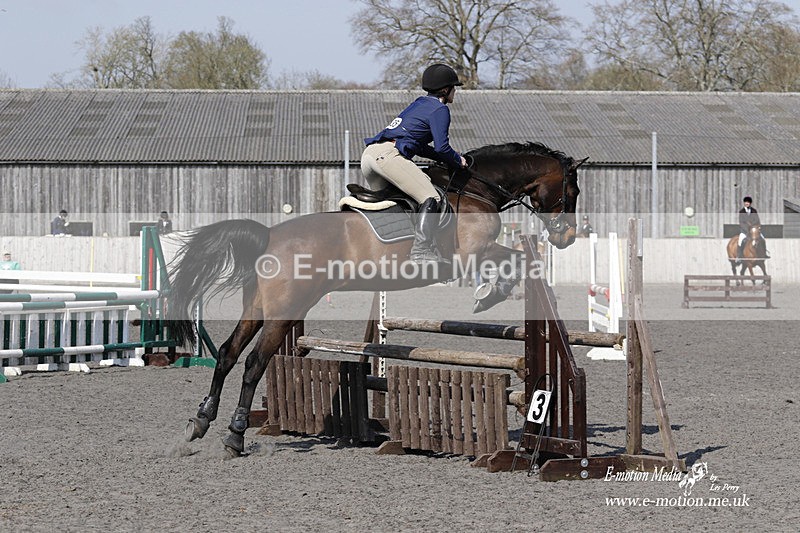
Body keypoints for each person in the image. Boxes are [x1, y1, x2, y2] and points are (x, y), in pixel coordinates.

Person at [361, 63, 468, 264]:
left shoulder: (420, 103)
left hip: (370, 156)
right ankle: (421, 252)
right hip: (388, 156)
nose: (455, 92)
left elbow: (421, 147)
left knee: (399, 203)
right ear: (445, 90)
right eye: (454, 88)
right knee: (430, 197)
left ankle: (392, 249)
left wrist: (445, 157)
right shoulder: (439, 109)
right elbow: (442, 148)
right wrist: (457, 160)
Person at [737, 196, 766, 261]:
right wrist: (747, 230)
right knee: (740, 240)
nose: (746, 203)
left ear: (750, 203)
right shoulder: (741, 211)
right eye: (745, 202)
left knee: (763, 238)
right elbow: (741, 222)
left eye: (748, 202)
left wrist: (756, 227)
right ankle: (739, 256)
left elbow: (757, 220)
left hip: (754, 230)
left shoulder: (754, 210)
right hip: (745, 231)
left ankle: (764, 253)